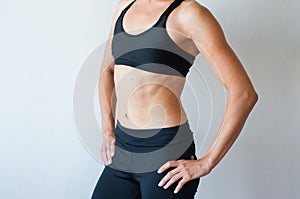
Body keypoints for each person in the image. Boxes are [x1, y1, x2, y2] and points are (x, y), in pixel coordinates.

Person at [91, 0, 258, 198]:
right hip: (123, 149)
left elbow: (244, 93)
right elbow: (107, 70)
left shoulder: (190, 14)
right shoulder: (126, 5)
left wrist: (207, 162)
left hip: (166, 153)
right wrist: (107, 129)